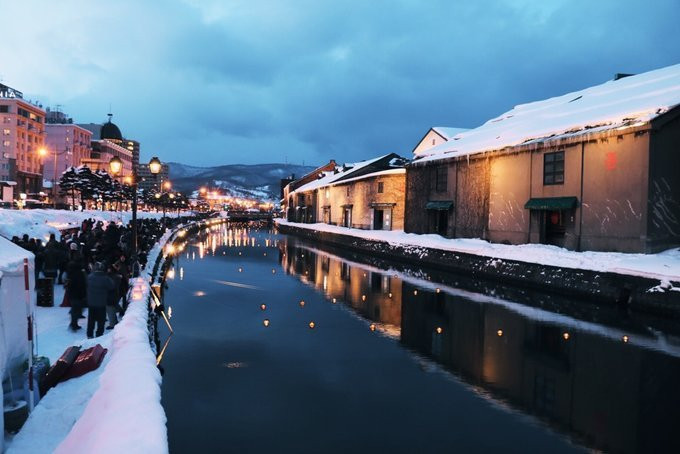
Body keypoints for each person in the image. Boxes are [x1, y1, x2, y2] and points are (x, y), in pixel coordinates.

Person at [86, 261, 114, 338]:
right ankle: (99, 334)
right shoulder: (105, 278)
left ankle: (90, 334)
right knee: (101, 320)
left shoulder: (89, 277)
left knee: (91, 319)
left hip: (91, 302)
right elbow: (112, 286)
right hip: (101, 303)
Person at [66, 252, 88, 331]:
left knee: (75, 308)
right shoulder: (80, 272)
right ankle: (74, 324)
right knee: (77, 308)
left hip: (72, 292)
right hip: (78, 293)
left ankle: (73, 322)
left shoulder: (71, 270)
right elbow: (82, 283)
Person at [105, 264, 122, 329]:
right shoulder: (116, 276)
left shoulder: (110, 277)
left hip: (110, 296)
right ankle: (115, 321)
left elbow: (110, 286)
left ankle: (112, 324)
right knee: (113, 308)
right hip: (115, 295)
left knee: (110, 310)